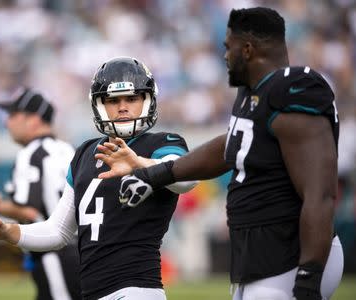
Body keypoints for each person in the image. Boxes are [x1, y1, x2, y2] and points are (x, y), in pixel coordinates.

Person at [108, 7, 344, 300]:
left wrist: (308, 276)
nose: (224, 56)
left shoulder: (295, 89)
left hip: (290, 255)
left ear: (246, 49)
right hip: (261, 256)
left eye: (227, 46)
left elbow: (319, 193)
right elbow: (230, 146)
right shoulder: (253, 93)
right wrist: (155, 174)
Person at [0, 57, 197, 300]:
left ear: (147, 100)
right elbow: (58, 231)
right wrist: (10, 232)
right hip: (91, 291)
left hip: (137, 288)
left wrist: (139, 164)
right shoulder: (84, 153)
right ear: (99, 104)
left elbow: (186, 178)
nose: (123, 107)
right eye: (113, 100)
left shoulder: (162, 143)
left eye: (132, 98)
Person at [0, 87, 81, 300]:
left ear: (34, 120)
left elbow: (31, 212)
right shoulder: (69, 149)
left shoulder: (31, 154)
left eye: (14, 115)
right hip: (84, 251)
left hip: (54, 254)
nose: (7, 122)